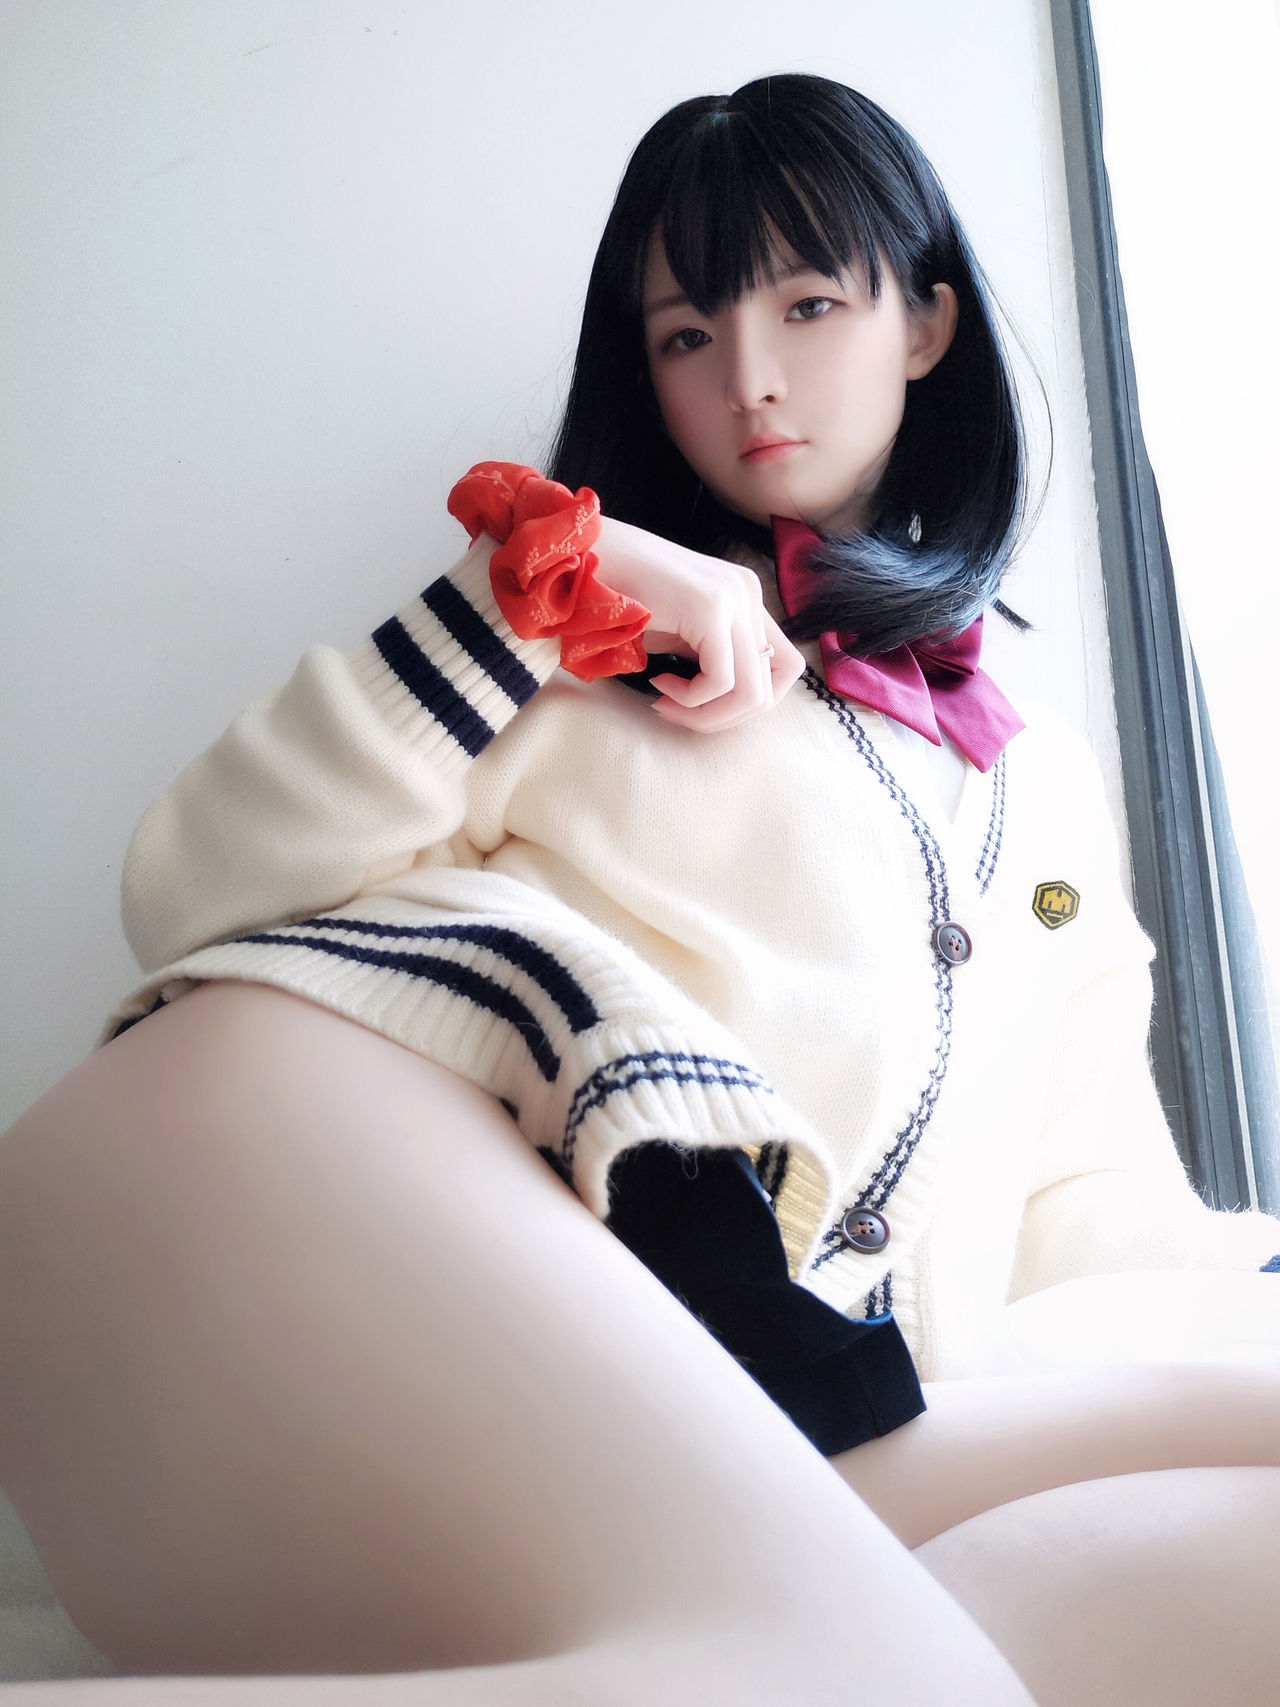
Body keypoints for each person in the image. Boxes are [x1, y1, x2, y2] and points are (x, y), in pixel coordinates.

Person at [1, 71, 1279, 1707]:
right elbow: (200, 888)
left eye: (809, 306)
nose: (750, 380)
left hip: (842, 1430)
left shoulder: (1047, 784)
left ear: (927, 324)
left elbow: (1086, 1201)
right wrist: (546, 590)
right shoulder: (573, 661)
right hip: (530, 1369)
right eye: (687, 334)